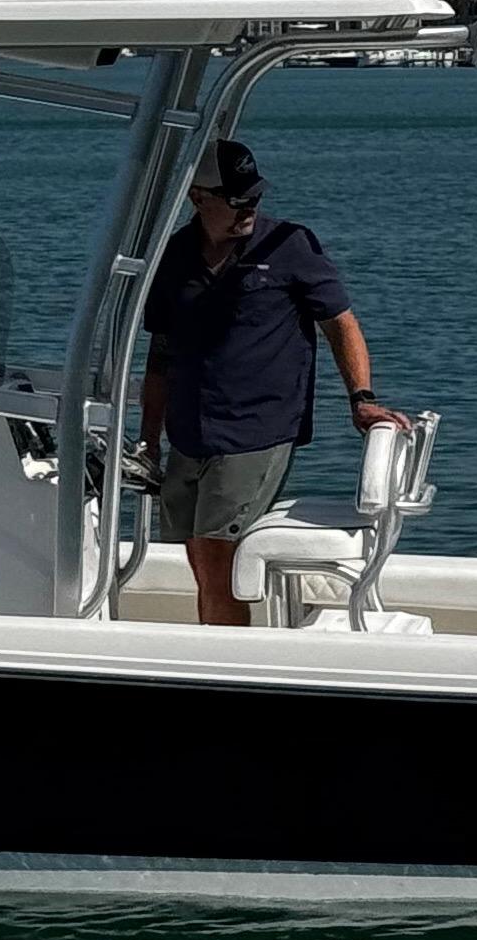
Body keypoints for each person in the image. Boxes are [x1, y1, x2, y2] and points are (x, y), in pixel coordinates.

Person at [138, 138, 399, 625]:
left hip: (257, 429)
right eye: (237, 200)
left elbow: (342, 323)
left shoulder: (290, 246)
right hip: (189, 431)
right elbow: (160, 355)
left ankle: (225, 669)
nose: (249, 209)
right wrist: (149, 439)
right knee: (199, 559)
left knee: (219, 555)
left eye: (254, 197)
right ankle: (222, 652)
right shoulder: (174, 254)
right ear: (198, 197)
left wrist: (362, 399)